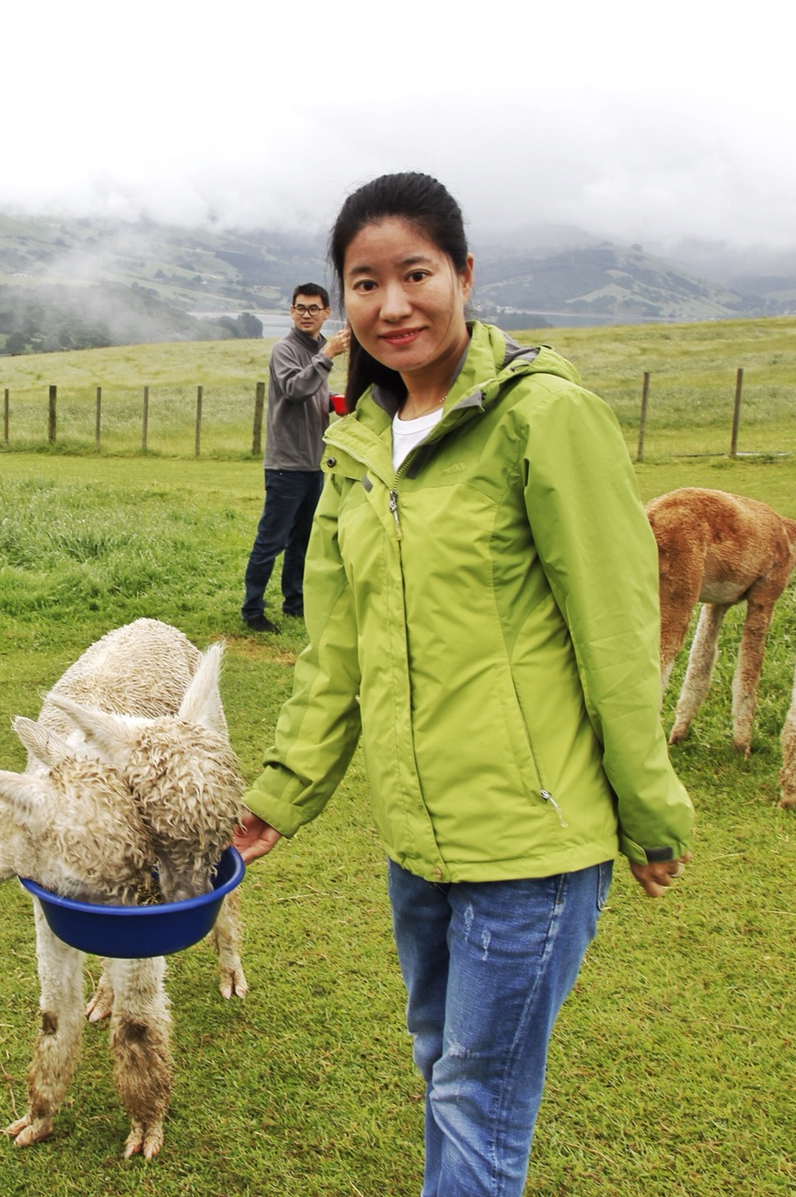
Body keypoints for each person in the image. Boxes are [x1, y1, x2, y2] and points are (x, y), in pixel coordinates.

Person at [231, 172, 694, 1197]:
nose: (392, 304)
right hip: (419, 839)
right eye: (365, 281)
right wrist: (279, 796)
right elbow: (335, 655)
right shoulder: (356, 443)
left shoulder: (544, 417)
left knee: (476, 1093)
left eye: (416, 273)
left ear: (465, 275)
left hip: (532, 840)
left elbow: (618, 635)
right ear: (339, 299)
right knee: (441, 1059)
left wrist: (651, 810)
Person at [241, 283, 351, 633]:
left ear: (326, 313)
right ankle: (253, 610)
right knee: (271, 540)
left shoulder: (318, 349)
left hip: (313, 462)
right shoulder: (285, 349)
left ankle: (295, 603)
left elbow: (312, 388)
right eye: (300, 308)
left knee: (302, 539)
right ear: (291, 311)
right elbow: (295, 389)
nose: (306, 314)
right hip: (286, 465)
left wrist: (333, 400)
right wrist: (329, 354)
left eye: (313, 308)